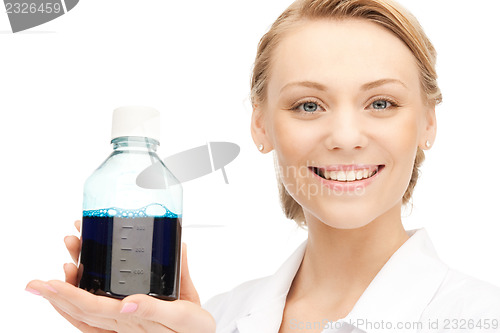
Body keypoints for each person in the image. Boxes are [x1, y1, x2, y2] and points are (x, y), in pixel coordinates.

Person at [26, 0, 500, 332]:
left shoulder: (482, 317)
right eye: (308, 106)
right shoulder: (221, 317)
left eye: (381, 102)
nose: (347, 138)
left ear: (428, 123)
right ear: (261, 126)